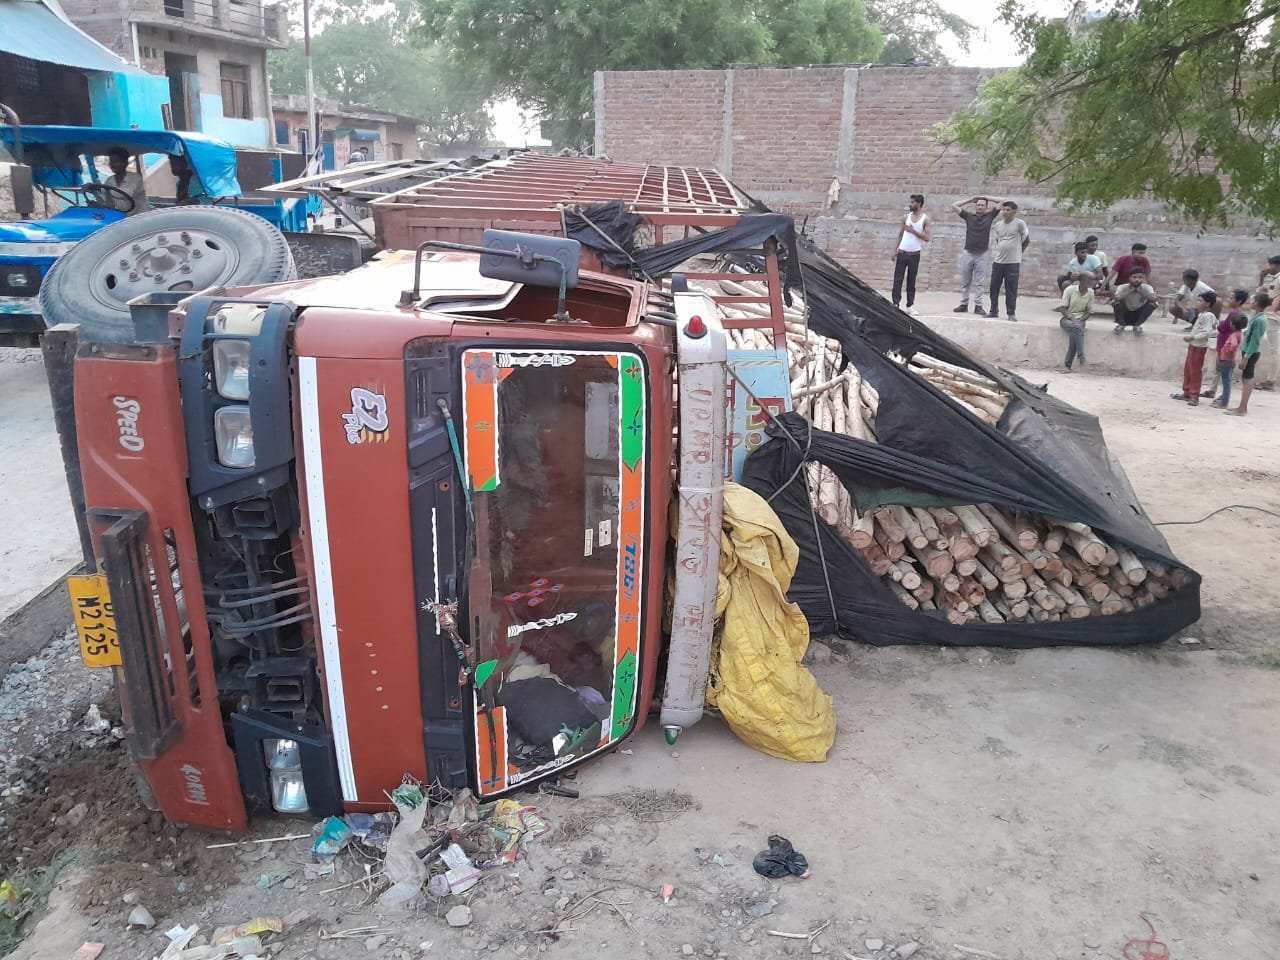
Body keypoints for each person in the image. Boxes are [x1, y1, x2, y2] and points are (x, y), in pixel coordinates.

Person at [951, 194, 1000, 314]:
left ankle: (978, 306)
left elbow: (1002, 202)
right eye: (978, 205)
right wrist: (970, 200)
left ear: (986, 207)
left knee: (979, 282)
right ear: (975, 206)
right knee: (966, 281)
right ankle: (964, 304)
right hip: (968, 252)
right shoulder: (968, 216)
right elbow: (954, 206)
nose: (980, 207)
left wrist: (986, 197)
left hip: (982, 253)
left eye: (982, 205)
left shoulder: (990, 216)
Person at [985, 200, 1030, 322]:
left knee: (1011, 289)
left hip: (1013, 262)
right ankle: (993, 311)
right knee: (994, 287)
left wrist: (1019, 252)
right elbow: (998, 240)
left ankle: (1011, 313)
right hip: (998, 261)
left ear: (1014, 211)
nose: (1005, 212)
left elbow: (1026, 239)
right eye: (1003, 210)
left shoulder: (1019, 224)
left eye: (1008, 210)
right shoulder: (998, 225)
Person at [1229, 292, 1271, 416]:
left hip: (1251, 352)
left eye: (1252, 301)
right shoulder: (1258, 317)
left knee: (1247, 380)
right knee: (1246, 379)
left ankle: (1243, 408)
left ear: (1256, 303)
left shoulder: (1260, 320)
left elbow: (1254, 340)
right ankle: (1241, 407)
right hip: (1250, 351)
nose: (1250, 302)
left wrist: (1246, 357)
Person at [1171, 290, 1217, 405]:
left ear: (1208, 304)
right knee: (1188, 369)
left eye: (1200, 301)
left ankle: (1194, 395)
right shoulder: (1202, 315)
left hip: (1199, 346)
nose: (1198, 303)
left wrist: (1193, 337)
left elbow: (1207, 332)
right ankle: (1187, 392)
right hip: (1193, 345)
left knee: (1195, 371)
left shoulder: (1208, 316)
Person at [892, 194, 931, 315]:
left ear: (919, 204)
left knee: (911, 280)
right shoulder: (905, 217)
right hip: (902, 252)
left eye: (913, 202)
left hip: (915, 254)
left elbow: (927, 238)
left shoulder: (925, 219)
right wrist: (894, 250)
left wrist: (913, 231)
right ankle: (895, 303)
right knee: (898, 279)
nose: (910, 204)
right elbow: (900, 234)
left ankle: (910, 305)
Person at [1059, 270, 1094, 372]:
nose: (1091, 282)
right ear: (1081, 280)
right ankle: (1081, 356)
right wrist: (1073, 319)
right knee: (1077, 329)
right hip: (1067, 318)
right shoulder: (1070, 290)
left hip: (1081, 319)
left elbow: (1089, 311)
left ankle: (1068, 366)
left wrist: (1080, 320)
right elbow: (1063, 308)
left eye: (1092, 280)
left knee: (1075, 331)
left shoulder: (1090, 292)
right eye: (1089, 280)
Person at [1255, 255, 1280, 389]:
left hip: (1272, 316)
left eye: (1271, 265)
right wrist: (1261, 279)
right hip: (1269, 315)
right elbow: (1261, 295)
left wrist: (1275, 310)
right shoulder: (1275, 279)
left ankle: (1271, 381)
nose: (1269, 268)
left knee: (1274, 350)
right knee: (1272, 349)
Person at [1213, 314, 1248, 409]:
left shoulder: (1233, 335)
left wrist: (1226, 351)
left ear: (1233, 325)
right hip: (1232, 360)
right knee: (1228, 381)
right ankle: (1224, 401)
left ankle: (1224, 403)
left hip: (1226, 360)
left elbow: (1233, 345)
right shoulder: (1240, 333)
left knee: (1226, 382)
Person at [104, 147, 150, 215]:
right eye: (111, 162)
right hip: (122, 217)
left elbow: (126, 194)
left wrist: (103, 189)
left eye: (116, 161)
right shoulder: (109, 180)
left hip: (140, 216)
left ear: (125, 162)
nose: (112, 165)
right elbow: (106, 200)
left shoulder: (135, 178)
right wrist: (93, 190)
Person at [1111, 268, 1158, 332]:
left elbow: (1154, 298)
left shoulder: (1147, 287)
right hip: (1125, 314)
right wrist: (1130, 291)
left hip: (1138, 315)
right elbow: (1117, 298)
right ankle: (1121, 325)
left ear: (1143, 278)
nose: (1137, 279)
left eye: (1140, 277)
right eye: (1134, 277)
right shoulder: (1122, 287)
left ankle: (1137, 325)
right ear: (1129, 278)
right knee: (1115, 302)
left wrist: (1140, 291)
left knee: (1153, 303)